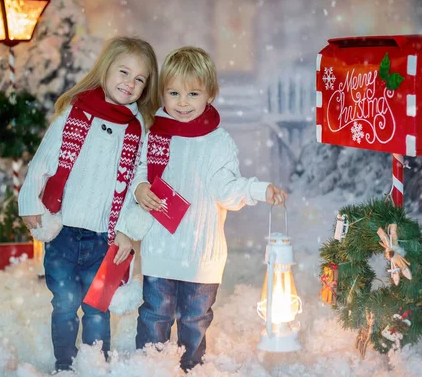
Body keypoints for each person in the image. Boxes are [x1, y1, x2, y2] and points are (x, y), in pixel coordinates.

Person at [114, 46, 288, 371]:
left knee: (194, 320)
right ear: (162, 92)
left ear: (209, 93)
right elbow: (138, 169)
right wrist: (140, 187)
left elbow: (227, 189)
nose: (182, 102)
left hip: (200, 253)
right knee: (154, 314)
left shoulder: (217, 142)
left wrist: (258, 190)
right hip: (160, 247)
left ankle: (190, 367)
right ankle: (149, 366)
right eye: (174, 93)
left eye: (193, 93)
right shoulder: (154, 134)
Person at [18, 36, 161, 372]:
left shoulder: (138, 128)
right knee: (65, 303)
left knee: (98, 308)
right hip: (63, 232)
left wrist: (127, 232)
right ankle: (65, 364)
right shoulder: (75, 111)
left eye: (139, 79)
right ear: (105, 68)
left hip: (106, 239)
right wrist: (29, 202)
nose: (130, 83)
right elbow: (44, 160)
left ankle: (96, 364)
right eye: (124, 72)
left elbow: (137, 187)